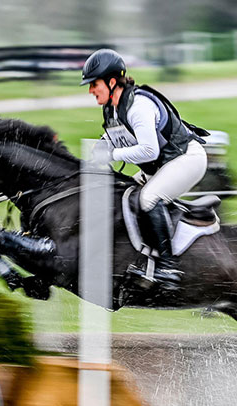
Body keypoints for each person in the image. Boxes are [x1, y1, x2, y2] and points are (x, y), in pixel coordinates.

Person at [81, 48, 208, 287]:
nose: (90, 90)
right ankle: (145, 255)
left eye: (93, 84)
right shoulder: (112, 109)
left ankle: (168, 268)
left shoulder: (138, 106)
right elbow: (117, 139)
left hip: (187, 159)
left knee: (148, 199)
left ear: (111, 82)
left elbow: (150, 151)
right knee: (125, 192)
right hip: (162, 166)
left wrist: (111, 153)